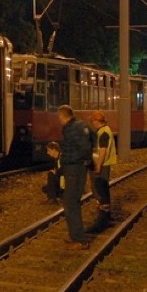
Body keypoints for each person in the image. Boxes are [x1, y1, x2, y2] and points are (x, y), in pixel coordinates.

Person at [57, 104, 93, 250]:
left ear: (63, 116)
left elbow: (83, 148)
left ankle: (79, 240)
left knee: (70, 203)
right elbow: (92, 137)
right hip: (78, 167)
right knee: (73, 202)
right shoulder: (82, 125)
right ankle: (77, 237)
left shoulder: (71, 129)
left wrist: (74, 158)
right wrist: (88, 159)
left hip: (73, 168)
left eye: (59, 117)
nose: (59, 121)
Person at [87, 111, 116, 233]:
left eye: (93, 121)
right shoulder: (105, 131)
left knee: (100, 191)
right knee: (103, 191)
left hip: (102, 165)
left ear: (97, 121)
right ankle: (105, 217)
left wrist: (98, 166)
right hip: (103, 164)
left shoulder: (103, 133)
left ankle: (102, 219)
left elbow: (103, 151)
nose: (92, 124)